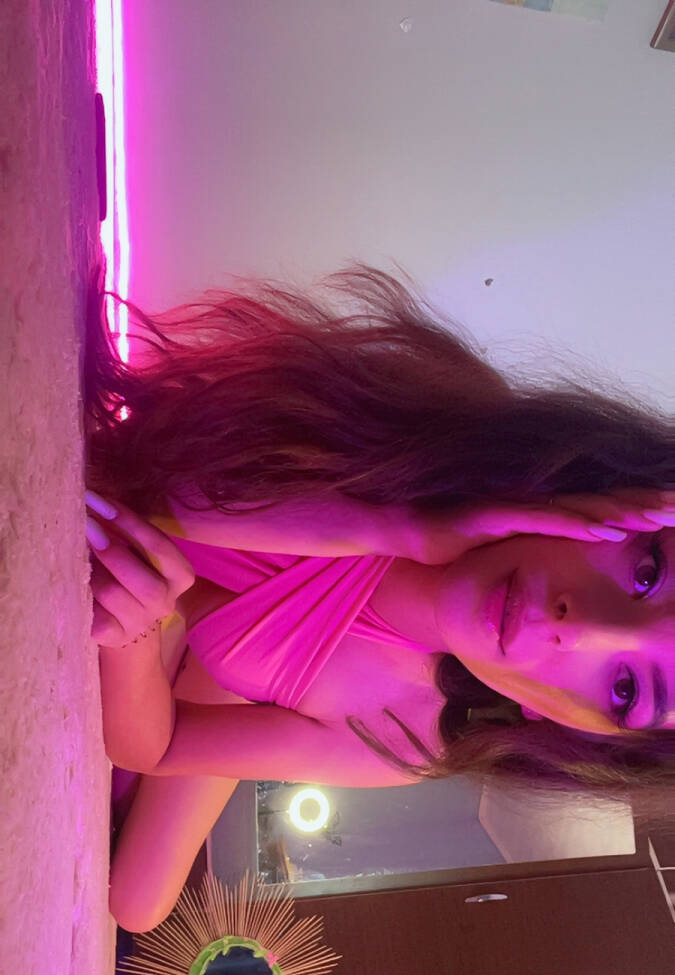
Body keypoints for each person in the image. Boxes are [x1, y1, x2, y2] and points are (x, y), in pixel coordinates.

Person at [82, 258, 674, 933]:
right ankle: (183, 637)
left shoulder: (407, 736)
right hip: (227, 612)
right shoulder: (421, 416)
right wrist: (397, 529)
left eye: (625, 689)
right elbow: (148, 484)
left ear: (572, 727)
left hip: (239, 670)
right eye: (647, 571)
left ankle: (183, 643)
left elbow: (154, 748)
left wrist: (131, 640)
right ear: (614, 485)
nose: (580, 627)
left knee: (138, 906)